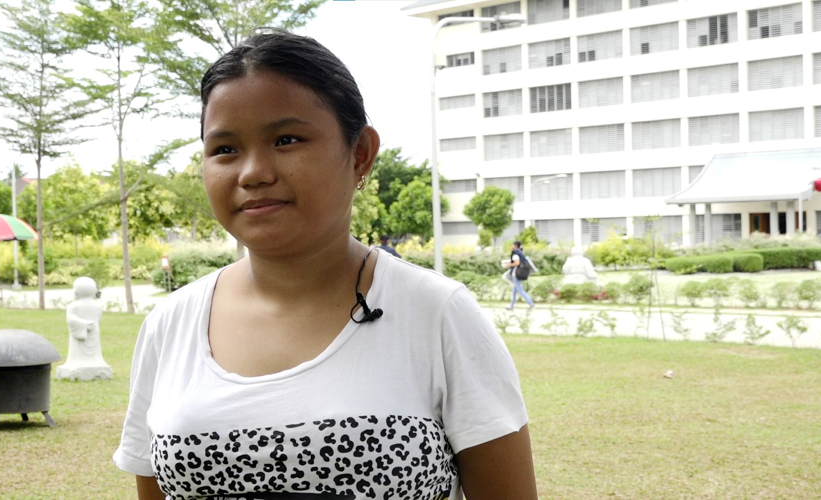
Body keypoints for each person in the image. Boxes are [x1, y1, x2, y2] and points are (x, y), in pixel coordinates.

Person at [113, 30, 538, 500]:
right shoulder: (170, 325)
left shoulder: (438, 314)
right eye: (225, 149)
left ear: (360, 155)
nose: (253, 172)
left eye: (286, 139)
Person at [503, 241, 535, 311]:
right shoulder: (520, 253)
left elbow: (517, 263)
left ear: (515, 246)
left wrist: (509, 265)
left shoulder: (515, 253)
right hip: (520, 273)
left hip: (517, 274)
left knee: (520, 290)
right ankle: (511, 306)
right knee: (514, 292)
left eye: (512, 245)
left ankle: (531, 304)